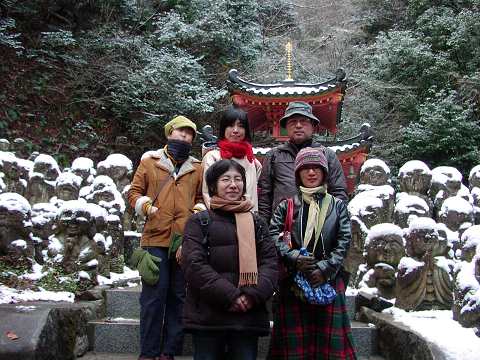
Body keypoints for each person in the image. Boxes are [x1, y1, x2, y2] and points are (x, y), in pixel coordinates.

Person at [182, 159, 278, 360]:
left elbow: (270, 263)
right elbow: (193, 264)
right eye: (225, 179)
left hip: (247, 316)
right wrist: (232, 296)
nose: (233, 184)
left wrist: (251, 295)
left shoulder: (257, 223)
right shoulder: (199, 221)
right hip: (208, 316)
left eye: (238, 179)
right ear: (213, 185)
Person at [267, 147, 356, 360]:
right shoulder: (286, 206)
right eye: (305, 168)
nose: (311, 172)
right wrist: (294, 257)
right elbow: (273, 236)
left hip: (329, 280)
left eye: (316, 167)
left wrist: (325, 269)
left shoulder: (338, 206)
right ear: (298, 173)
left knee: (329, 349)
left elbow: (344, 240)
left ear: (324, 172)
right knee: (294, 349)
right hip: (294, 281)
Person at [127, 115, 204, 360]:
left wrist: (196, 213)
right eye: (180, 132)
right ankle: (148, 352)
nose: (184, 137)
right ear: (169, 134)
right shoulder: (149, 162)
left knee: (178, 296)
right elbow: (134, 192)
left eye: (189, 133)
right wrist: (146, 206)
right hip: (154, 239)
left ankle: (169, 351)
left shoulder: (197, 167)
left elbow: (201, 198)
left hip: (183, 240)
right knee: (153, 297)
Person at [258, 101, 348, 224]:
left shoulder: (327, 155)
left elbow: (339, 192)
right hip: (282, 228)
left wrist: (336, 225)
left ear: (313, 126)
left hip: (319, 227)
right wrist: (264, 230)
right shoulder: (274, 156)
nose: (298, 126)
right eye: (293, 122)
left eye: (304, 121)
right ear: (286, 127)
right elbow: (265, 197)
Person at [202, 106, 262, 211]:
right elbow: (207, 193)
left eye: (240, 126)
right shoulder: (213, 157)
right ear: (223, 129)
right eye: (230, 126)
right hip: (221, 219)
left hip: (249, 219)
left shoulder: (252, 160)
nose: (235, 130)